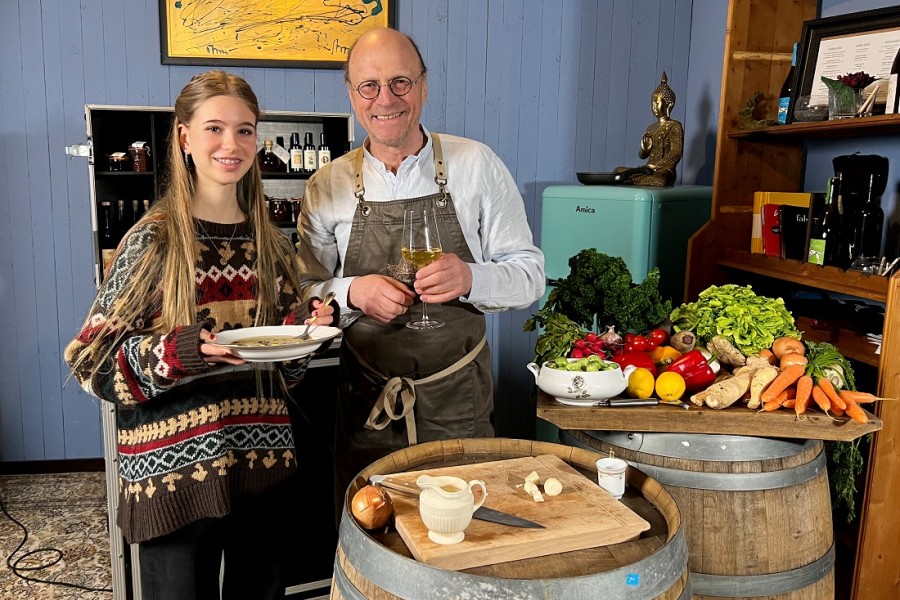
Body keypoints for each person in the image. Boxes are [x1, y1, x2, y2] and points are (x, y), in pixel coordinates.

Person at [64, 70, 335, 600]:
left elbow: (286, 373)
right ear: (184, 137)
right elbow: (88, 361)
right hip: (174, 478)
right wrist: (179, 353)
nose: (231, 145)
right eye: (214, 128)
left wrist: (303, 333)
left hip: (261, 468)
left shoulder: (274, 250)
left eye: (245, 130)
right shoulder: (153, 241)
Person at [295, 28, 545, 512]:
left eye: (400, 83)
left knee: (461, 542)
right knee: (372, 541)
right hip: (367, 403)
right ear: (351, 94)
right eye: (369, 86)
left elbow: (530, 274)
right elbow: (305, 294)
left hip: (459, 404)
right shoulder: (327, 186)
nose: (385, 99)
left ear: (424, 87)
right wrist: (352, 292)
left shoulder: (477, 164)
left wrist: (473, 278)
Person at [615, 71, 684, 186]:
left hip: (664, 171)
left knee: (660, 180)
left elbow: (676, 153)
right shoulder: (651, 127)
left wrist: (657, 166)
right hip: (646, 169)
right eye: (652, 103)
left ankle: (630, 180)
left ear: (669, 104)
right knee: (618, 170)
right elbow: (642, 156)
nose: (654, 107)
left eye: (657, 103)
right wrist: (644, 150)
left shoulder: (675, 126)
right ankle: (631, 179)